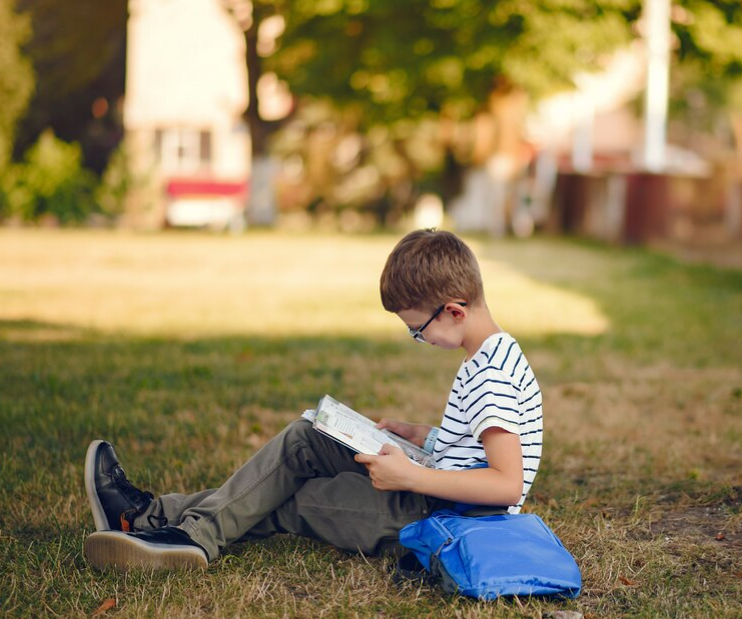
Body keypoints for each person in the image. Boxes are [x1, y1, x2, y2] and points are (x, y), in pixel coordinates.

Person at [83, 229, 544, 570]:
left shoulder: (491, 377)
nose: (416, 339)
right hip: (426, 486)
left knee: (292, 495)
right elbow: (477, 444)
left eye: (417, 330)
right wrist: (421, 435)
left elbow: (505, 485)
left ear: (455, 310)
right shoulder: (491, 355)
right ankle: (153, 519)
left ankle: (171, 530)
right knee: (306, 438)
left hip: (433, 515)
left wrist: (412, 475)